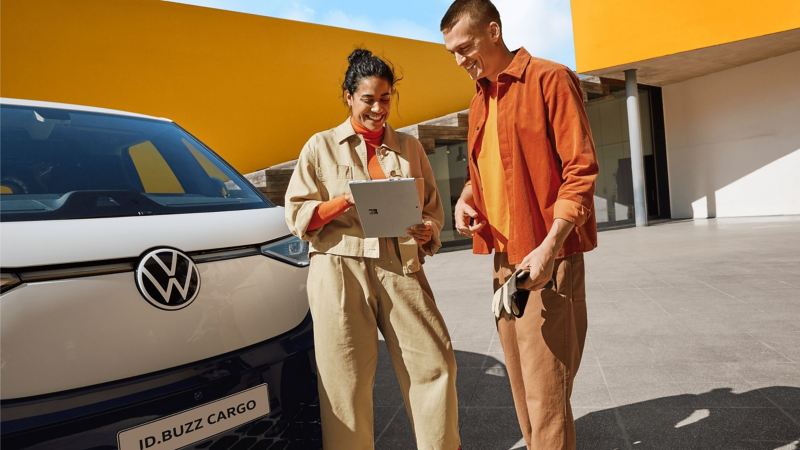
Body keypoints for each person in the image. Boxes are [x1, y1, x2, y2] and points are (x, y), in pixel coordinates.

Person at [440, 1, 599, 449]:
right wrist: (466, 197)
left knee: (548, 393)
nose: (459, 60)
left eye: (465, 46)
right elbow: (491, 169)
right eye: (451, 52)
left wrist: (549, 249)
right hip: (504, 261)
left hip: (548, 256)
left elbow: (580, 170)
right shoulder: (479, 100)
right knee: (523, 390)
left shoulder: (550, 79)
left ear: (494, 31)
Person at [284, 48, 460, 450]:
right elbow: (298, 217)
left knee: (435, 363)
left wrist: (425, 228)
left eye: (385, 98)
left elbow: (433, 209)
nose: (379, 108)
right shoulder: (320, 147)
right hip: (339, 268)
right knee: (344, 380)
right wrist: (344, 199)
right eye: (369, 99)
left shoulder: (409, 147)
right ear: (349, 96)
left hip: (401, 265)